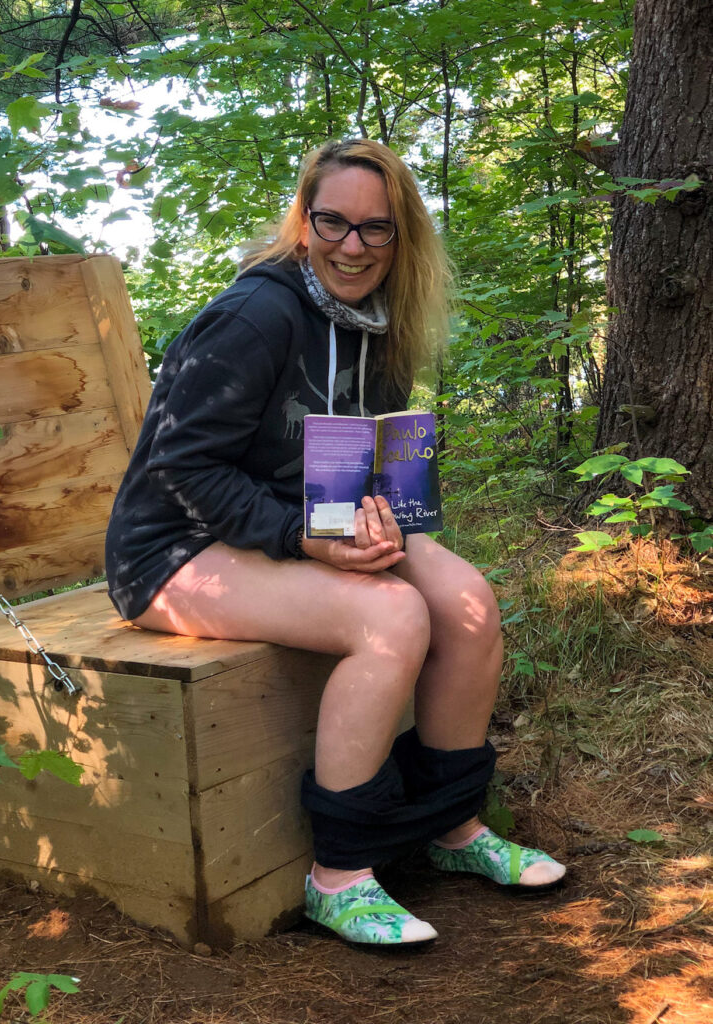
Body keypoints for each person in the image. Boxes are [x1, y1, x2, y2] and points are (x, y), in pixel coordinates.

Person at [105, 138, 566, 949]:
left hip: (300, 527)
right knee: (390, 616)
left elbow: (366, 457)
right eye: (333, 223)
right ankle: (340, 874)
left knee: (466, 602)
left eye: (375, 228)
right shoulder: (254, 316)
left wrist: (376, 521)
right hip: (175, 548)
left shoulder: (381, 320)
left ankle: (451, 825)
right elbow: (179, 469)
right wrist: (301, 537)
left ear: (401, 235)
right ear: (304, 220)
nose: (352, 247)